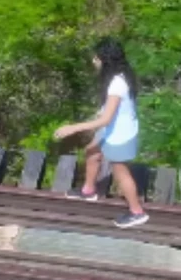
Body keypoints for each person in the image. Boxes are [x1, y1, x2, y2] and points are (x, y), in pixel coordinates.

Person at [53, 37, 148, 229]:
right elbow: (113, 110)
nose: (93, 61)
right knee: (92, 152)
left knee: (120, 173)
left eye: (96, 58)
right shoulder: (120, 75)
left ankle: (137, 212)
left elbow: (105, 119)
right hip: (113, 129)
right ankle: (89, 190)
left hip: (120, 135)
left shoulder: (116, 84)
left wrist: (73, 128)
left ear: (105, 60)